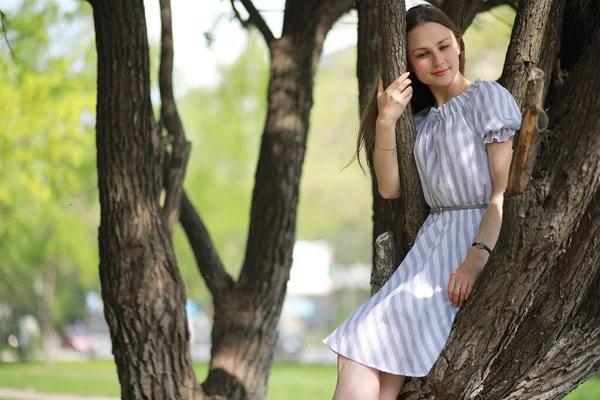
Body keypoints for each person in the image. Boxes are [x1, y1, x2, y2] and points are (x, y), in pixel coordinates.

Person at [323, 4, 522, 400]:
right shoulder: (422, 124)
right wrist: (385, 120)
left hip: (468, 244)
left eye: (444, 46)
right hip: (429, 252)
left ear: (459, 45)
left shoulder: (488, 99)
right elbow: (389, 187)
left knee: (357, 351)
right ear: (411, 65)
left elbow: (502, 192)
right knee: (375, 367)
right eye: (423, 54)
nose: (438, 60)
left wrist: (475, 258)